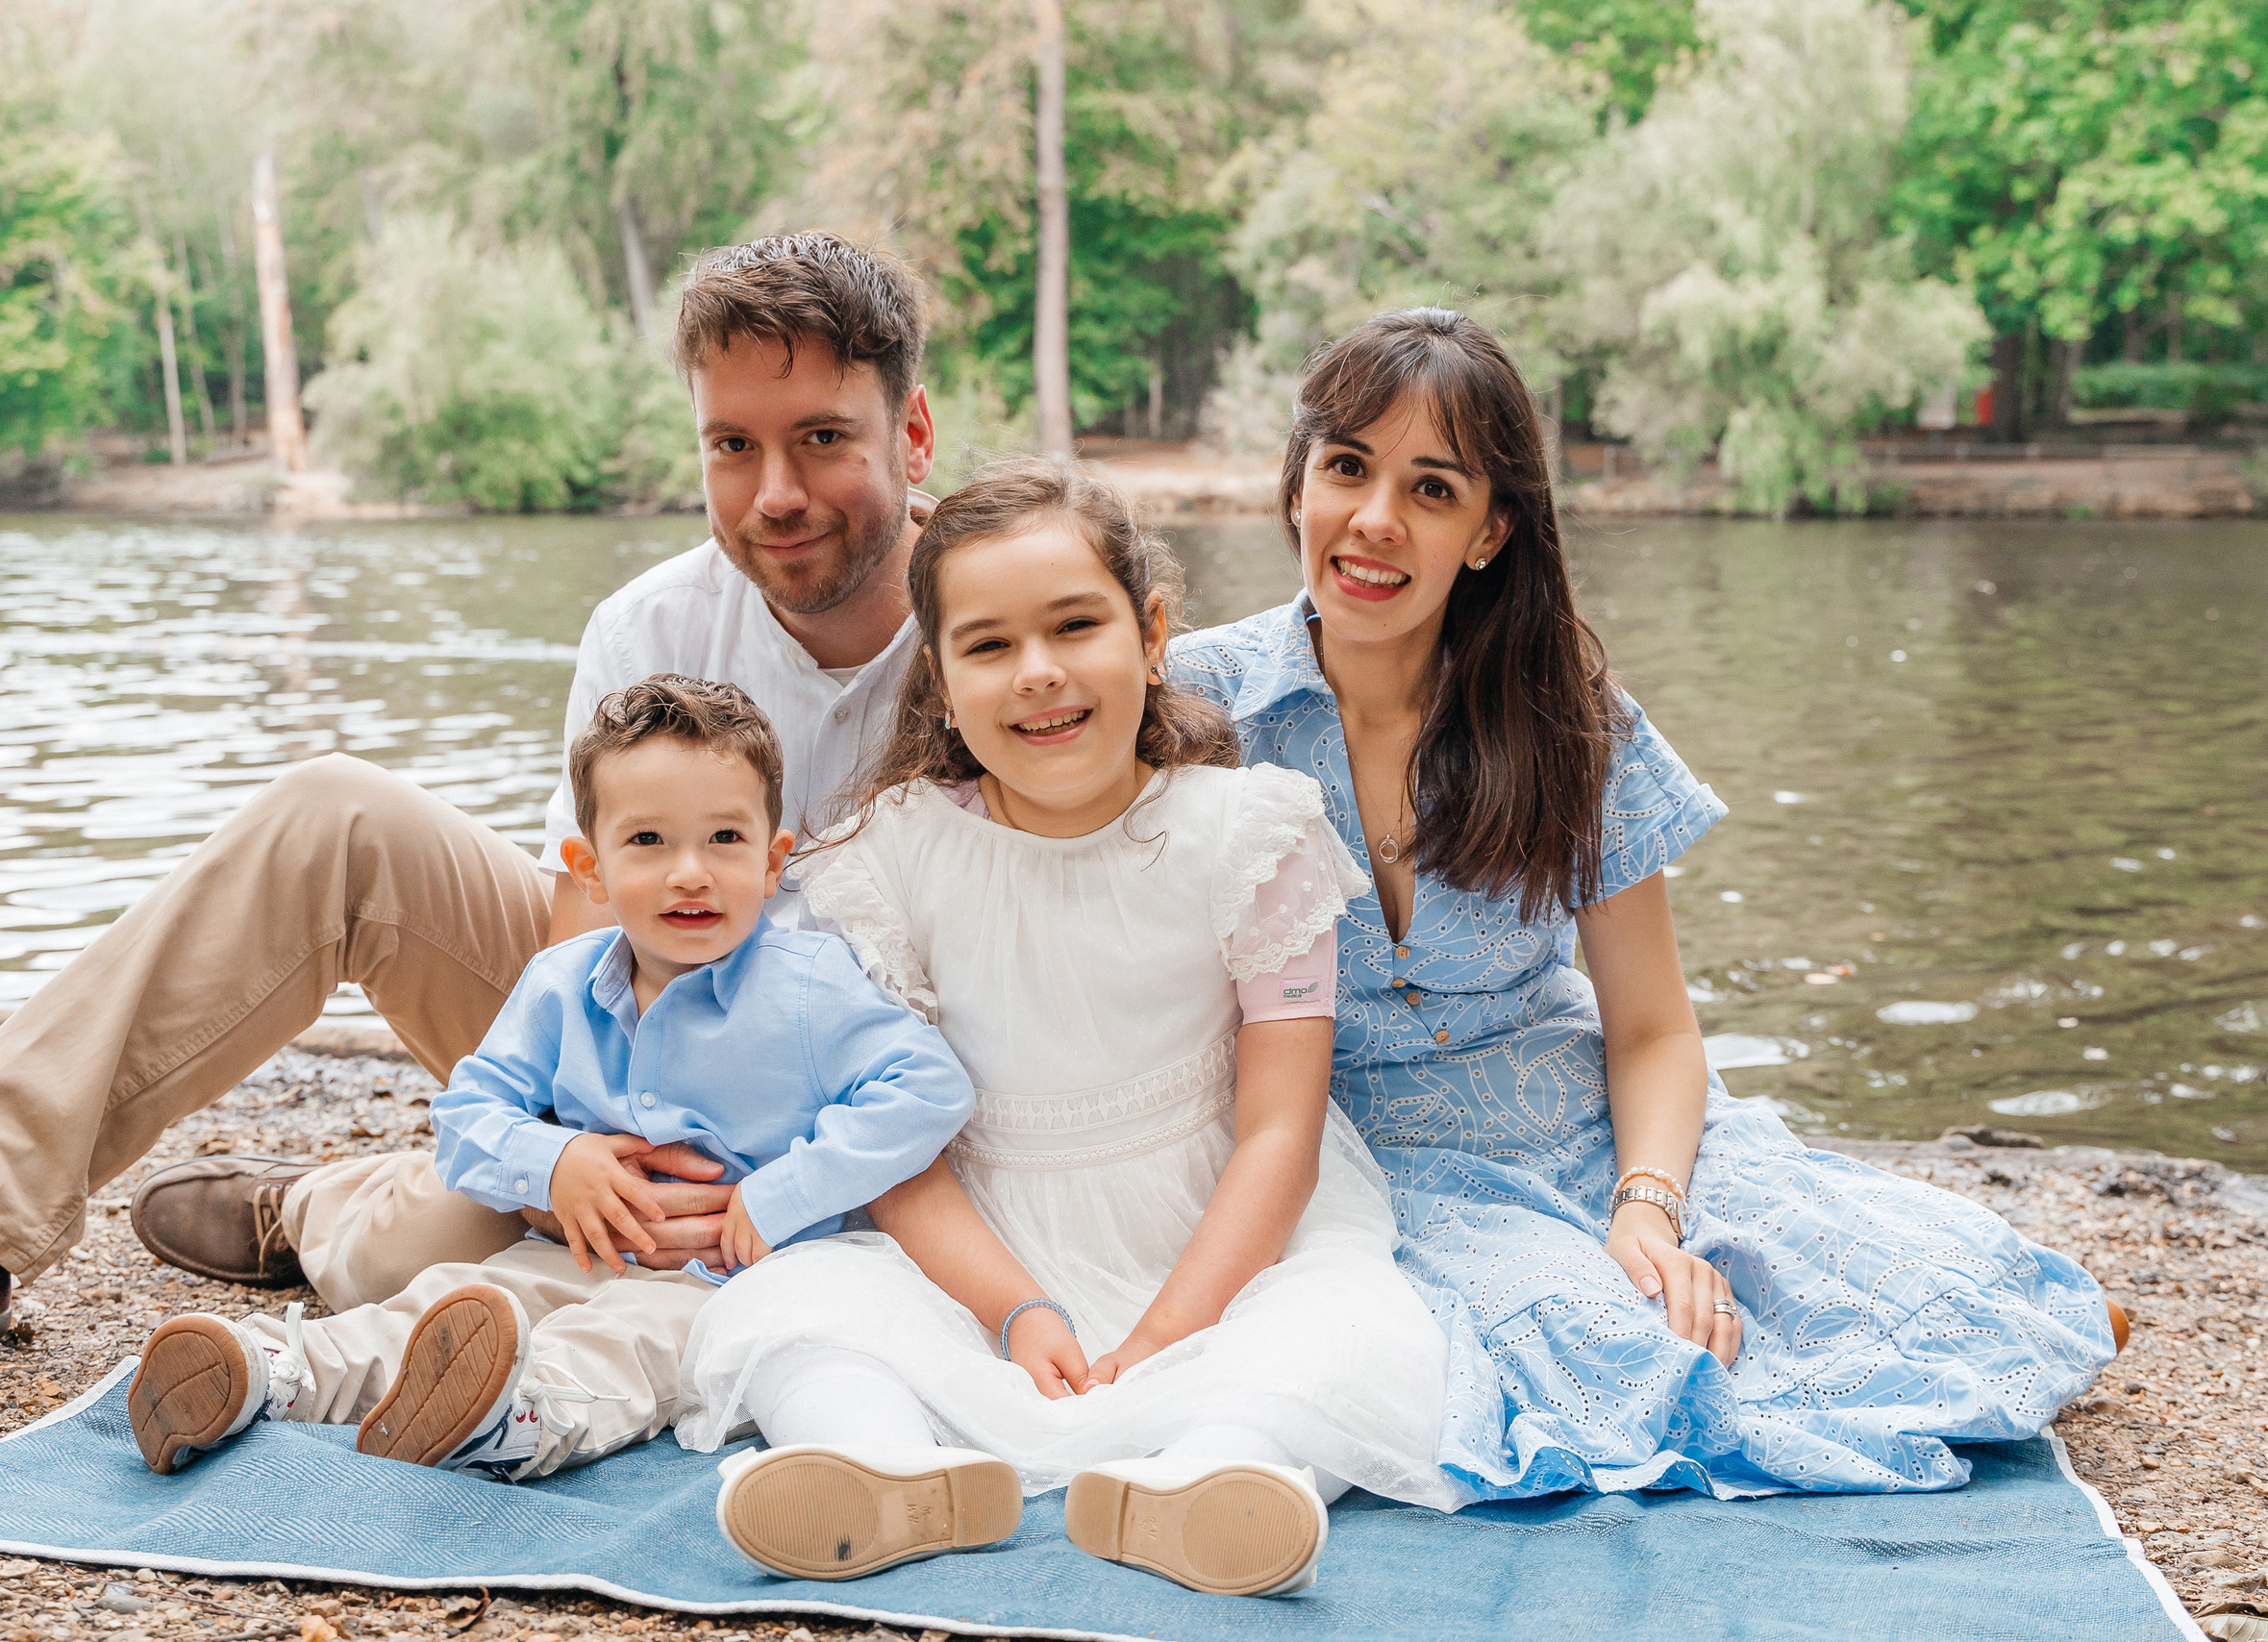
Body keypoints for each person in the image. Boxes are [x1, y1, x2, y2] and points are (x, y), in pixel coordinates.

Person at [0, 232, 940, 1359]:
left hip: (879, 1092)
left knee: (428, 1254)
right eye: (732, 445)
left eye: (823, 438)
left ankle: (316, 1206)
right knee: (333, 814)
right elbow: (587, 939)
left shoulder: (1009, 627)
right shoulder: (650, 627)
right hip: (642, 1041)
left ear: (914, 435)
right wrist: (589, 1163)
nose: (776, 492)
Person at [1165, 307, 2123, 1503]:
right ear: (1297, 482)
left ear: (1489, 530)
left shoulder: (1572, 718)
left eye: (1432, 488)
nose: (1374, 521)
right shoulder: (1190, 708)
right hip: (1343, 1152)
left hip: (1580, 1122)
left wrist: (1648, 1210)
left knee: (1832, 1296)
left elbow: (1654, 1026)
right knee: (1610, 1358)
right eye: (1347, 468)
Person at [673, 460, 1453, 1600]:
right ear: (939, 679)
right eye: (989, 647)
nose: (1038, 674)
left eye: (1075, 626)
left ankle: (1211, 1474)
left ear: (1150, 634)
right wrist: (1017, 1307)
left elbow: (1280, 1131)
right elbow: (896, 1149)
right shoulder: (886, 861)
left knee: (1348, 1329)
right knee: (804, 1315)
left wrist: (1167, 1333)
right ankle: (875, 1465)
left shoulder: (1250, 835)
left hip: (1223, 1230)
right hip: (977, 1244)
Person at [125, 676, 973, 1480]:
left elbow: (929, 1087)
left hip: (728, 1282)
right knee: (461, 1296)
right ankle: (274, 1373)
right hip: (576, 1249)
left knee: (631, 1345)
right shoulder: (560, 984)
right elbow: (468, 1115)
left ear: (773, 860)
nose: (690, 871)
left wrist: (780, 1193)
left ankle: (520, 1418)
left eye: (725, 839)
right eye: (648, 841)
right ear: (590, 867)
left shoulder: (809, 984)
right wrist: (557, 1163)